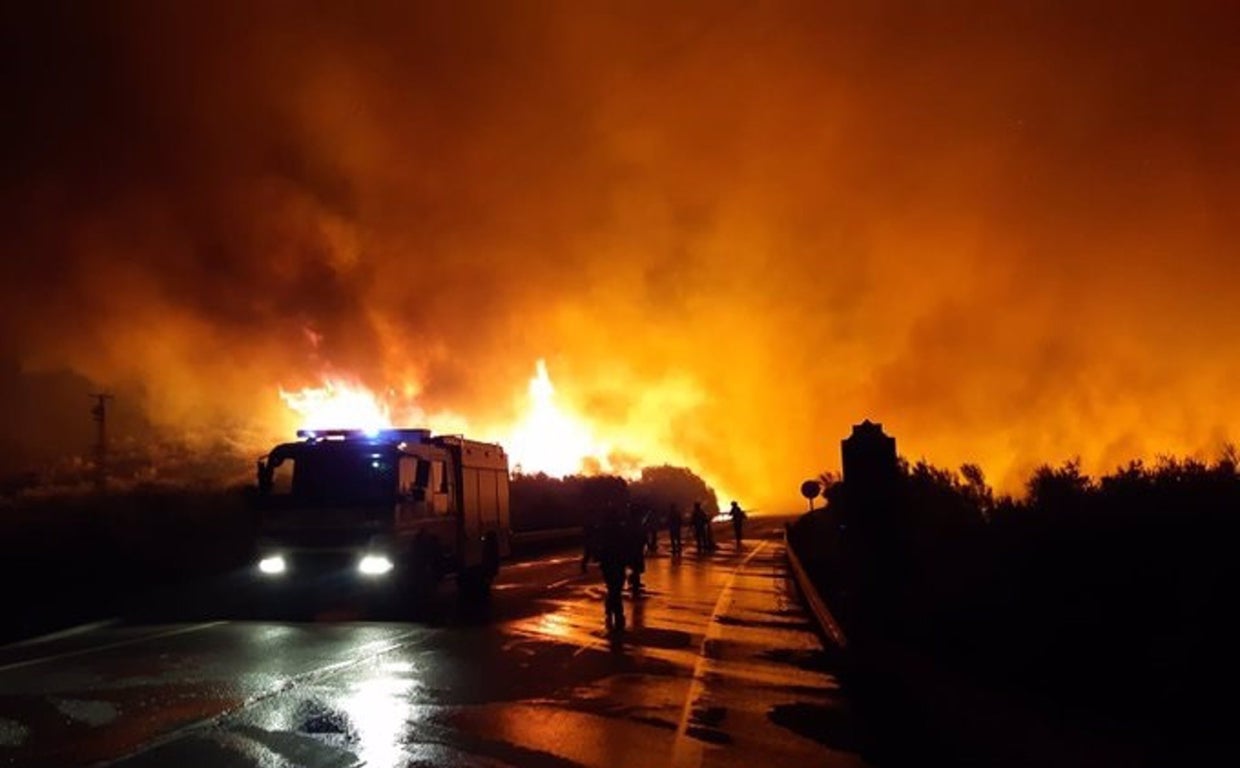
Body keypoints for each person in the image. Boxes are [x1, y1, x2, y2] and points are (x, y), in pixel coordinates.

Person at [591, 508, 630, 633]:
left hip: (608, 564)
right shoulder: (621, 530)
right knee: (616, 589)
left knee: (612, 588)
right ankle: (617, 613)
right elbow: (626, 547)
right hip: (617, 563)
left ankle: (611, 610)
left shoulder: (603, 531)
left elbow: (597, 548)